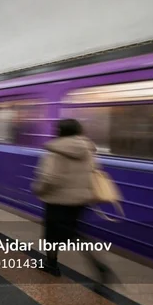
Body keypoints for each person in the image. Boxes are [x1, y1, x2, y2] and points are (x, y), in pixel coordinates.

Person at [31, 119, 117, 287]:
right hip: (80, 200)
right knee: (73, 232)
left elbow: (49, 177)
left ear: (59, 131)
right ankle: (94, 266)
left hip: (57, 199)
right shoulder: (88, 149)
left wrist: (38, 189)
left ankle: (55, 265)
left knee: (53, 234)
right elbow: (93, 171)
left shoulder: (55, 150)